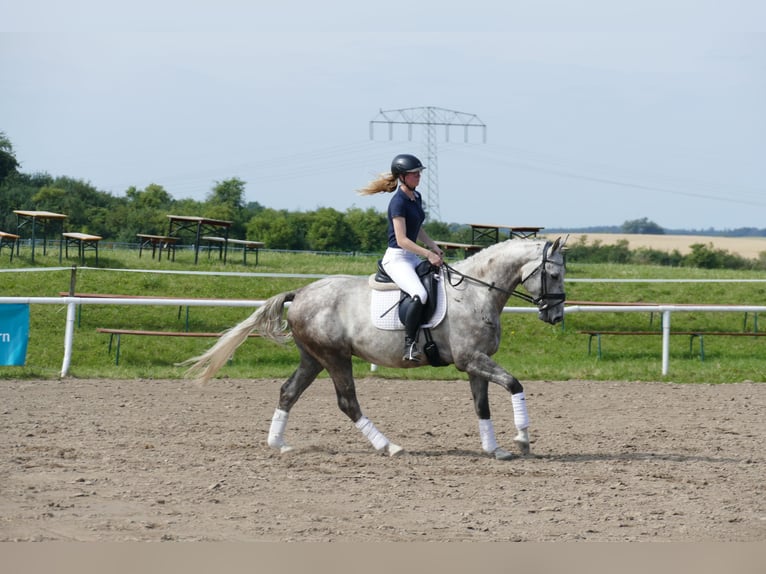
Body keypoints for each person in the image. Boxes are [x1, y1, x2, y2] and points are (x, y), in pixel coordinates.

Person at [358, 153, 444, 361]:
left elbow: (418, 228)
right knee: (419, 294)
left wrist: (434, 246)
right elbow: (403, 239)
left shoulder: (416, 197)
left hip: (412, 256)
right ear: (402, 177)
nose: (418, 177)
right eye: (414, 174)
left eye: (419, 173)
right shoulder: (397, 202)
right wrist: (428, 254)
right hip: (397, 259)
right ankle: (410, 344)